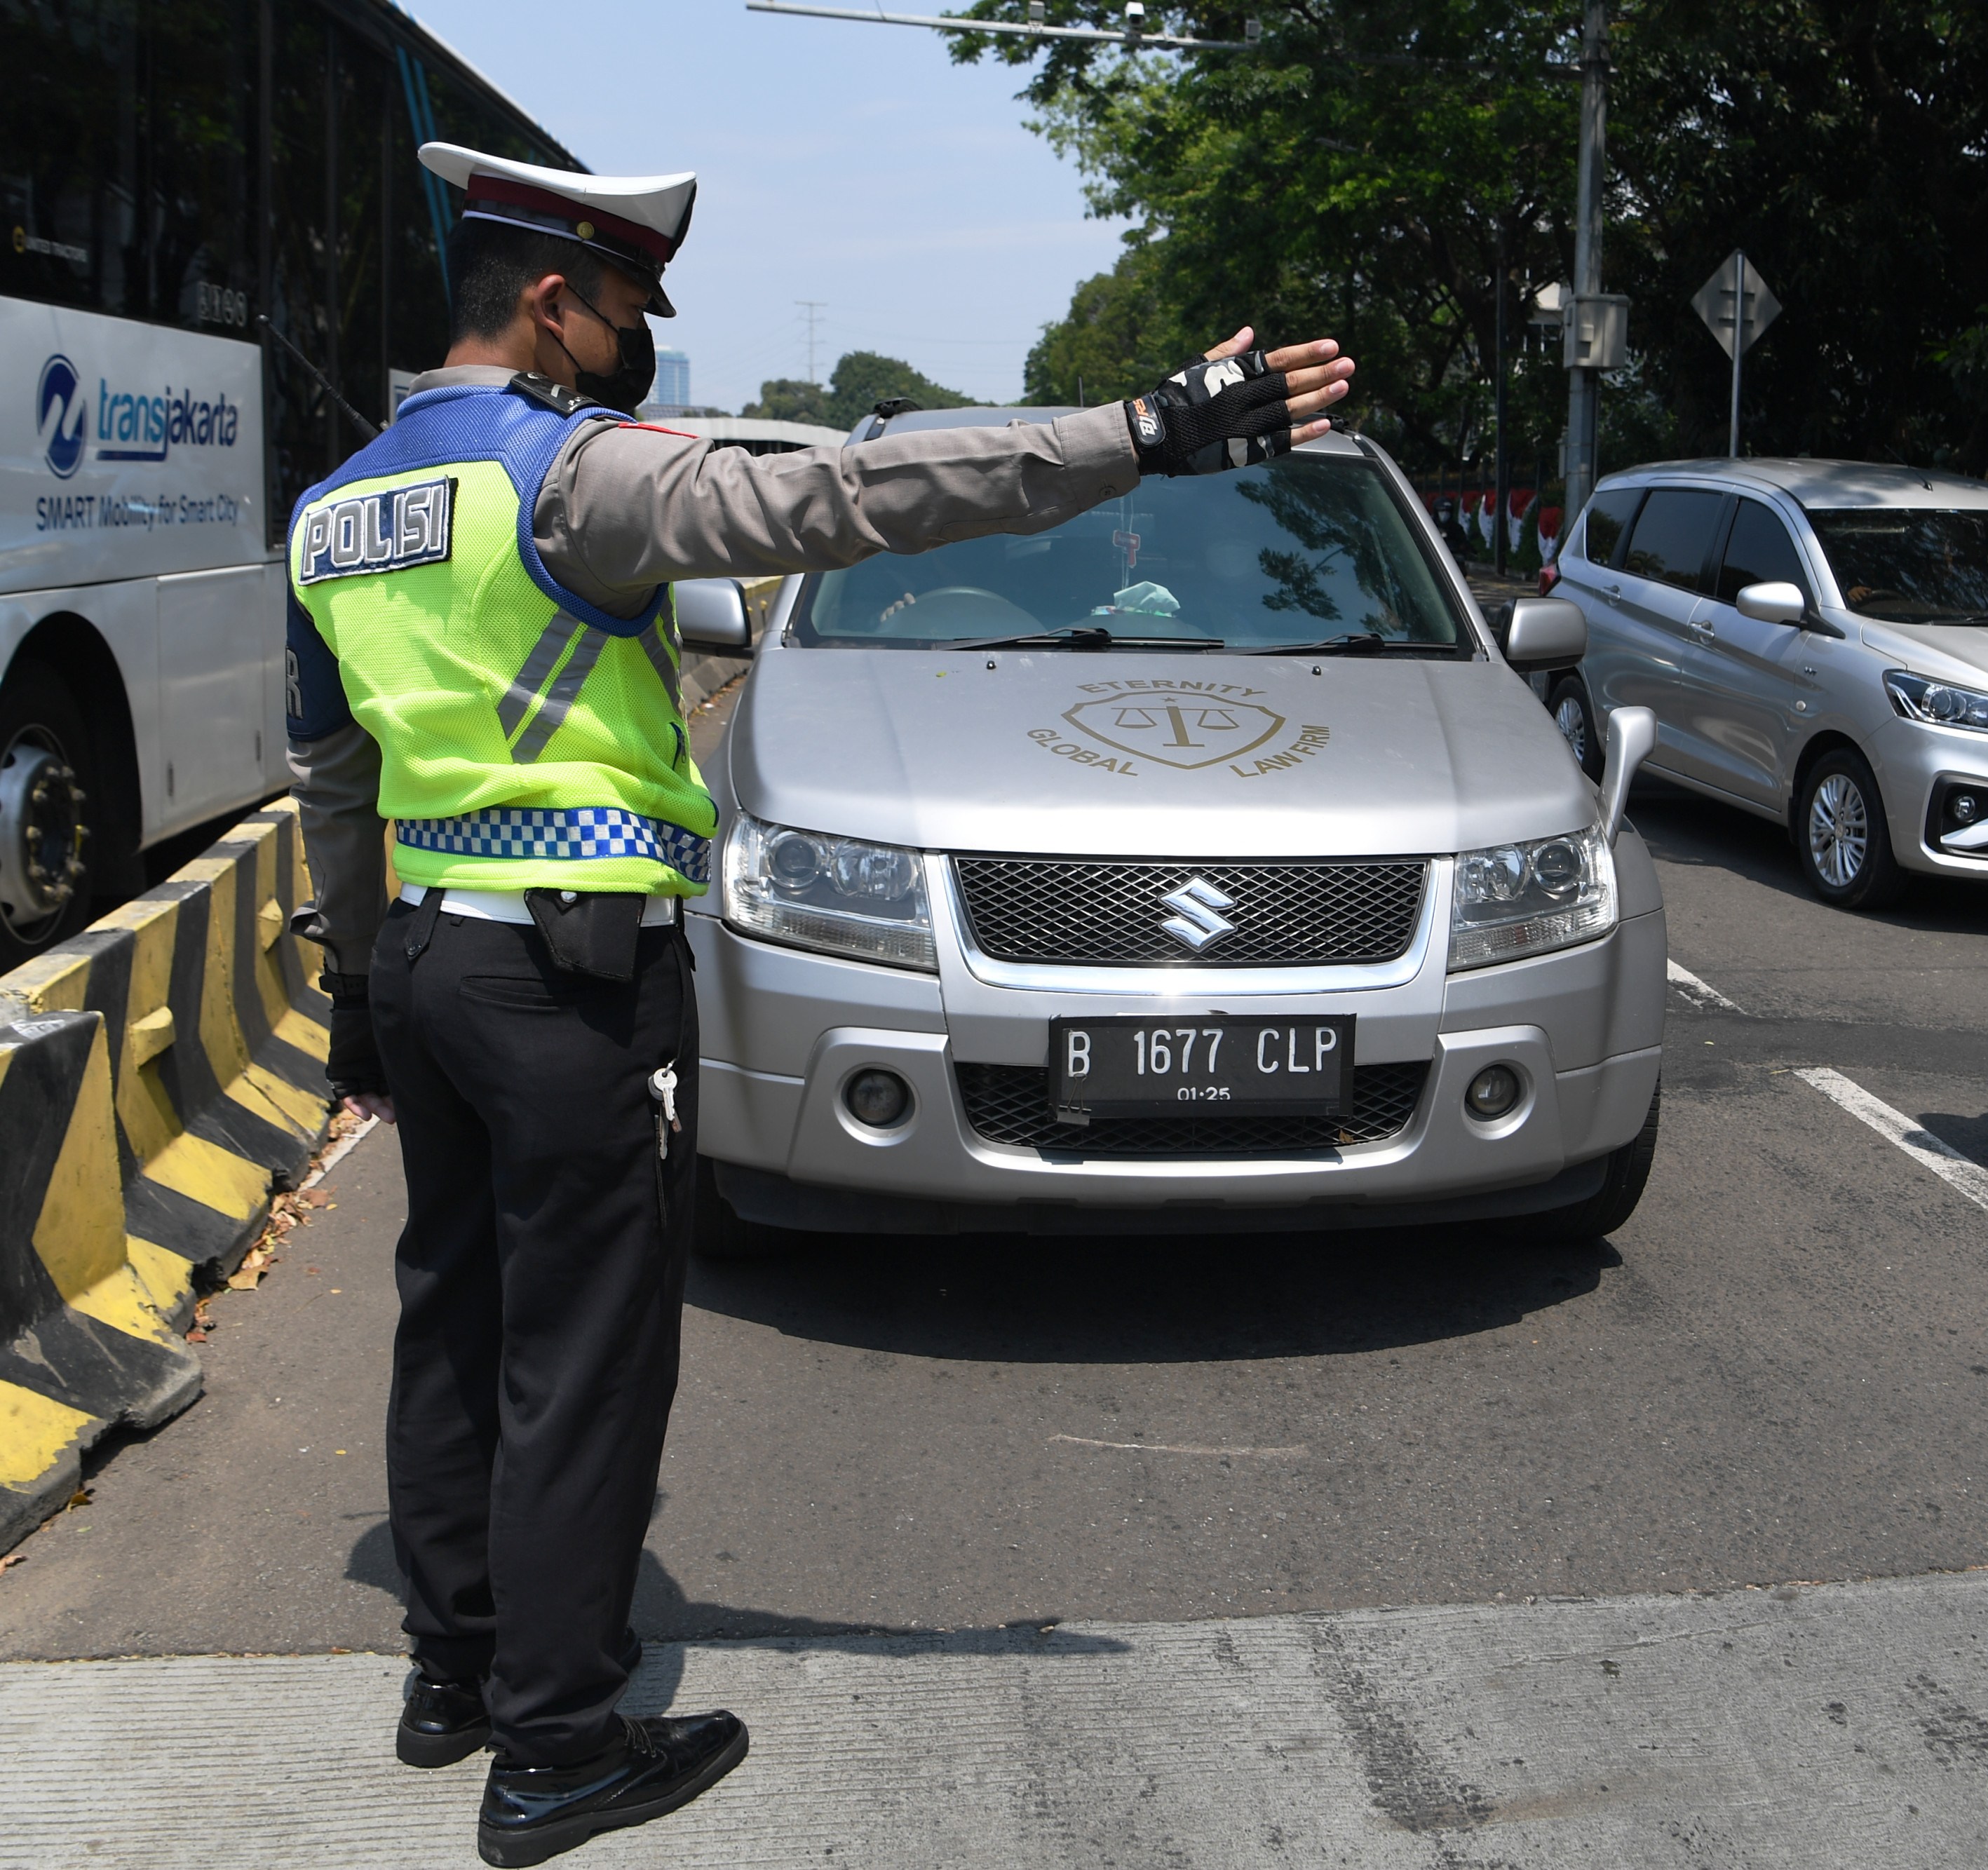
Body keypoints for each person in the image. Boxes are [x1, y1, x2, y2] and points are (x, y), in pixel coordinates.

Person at [284, 141, 1354, 1867]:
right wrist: (1143, 435)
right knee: (584, 1356)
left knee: (453, 1316)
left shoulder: (337, 509)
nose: (636, 334)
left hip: (423, 961)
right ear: (551, 306)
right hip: (569, 981)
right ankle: (554, 1746)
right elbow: (861, 498)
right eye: (625, 302)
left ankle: (452, 1668)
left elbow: (329, 775)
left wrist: (349, 975)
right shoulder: (584, 482)